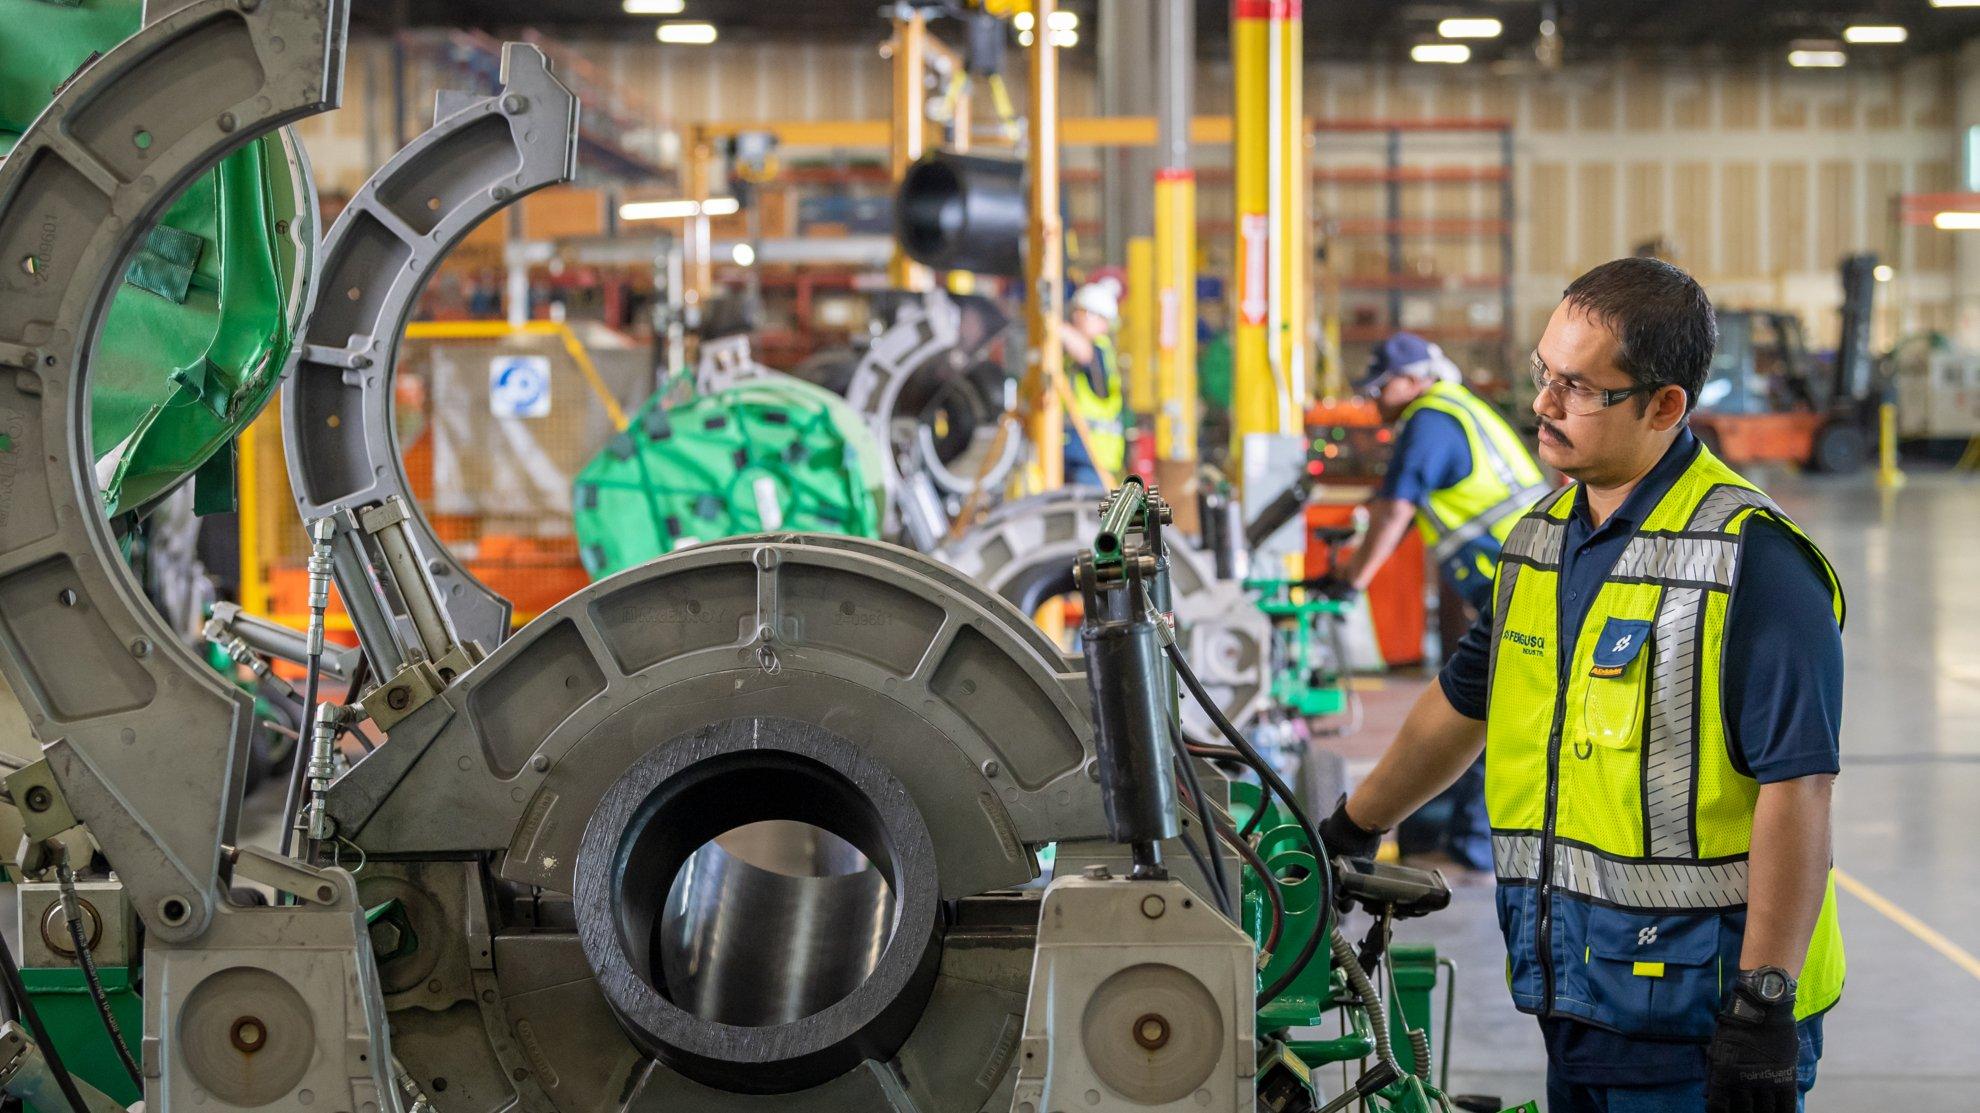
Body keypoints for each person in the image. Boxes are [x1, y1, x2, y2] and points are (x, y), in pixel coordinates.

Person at [1319, 258, 1845, 1113]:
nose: (1543, 404)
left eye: (1577, 386)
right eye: (1543, 374)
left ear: (1664, 405)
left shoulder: (1752, 561)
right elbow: (1464, 703)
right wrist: (1349, 830)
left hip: (1700, 1019)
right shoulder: (1540, 540)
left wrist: (1764, 1003)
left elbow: (1799, 788)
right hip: (1576, 992)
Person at [1330, 332, 1549, 871]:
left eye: (1381, 388)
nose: (1375, 401)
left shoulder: (1428, 419)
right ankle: (1436, 837)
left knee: (1480, 706)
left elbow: (1393, 511)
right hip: (1523, 569)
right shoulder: (1456, 408)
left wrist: (1350, 581)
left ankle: (1470, 846)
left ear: (1412, 380)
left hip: (1514, 575)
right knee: (1471, 697)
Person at [1059, 280, 1126, 487]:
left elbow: (1083, 351)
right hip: (1073, 457)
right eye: (1076, 311)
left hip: (1093, 463)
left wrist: (1052, 323)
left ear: (1104, 322)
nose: (1077, 317)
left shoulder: (1100, 351)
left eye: (1086, 313)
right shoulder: (1069, 358)